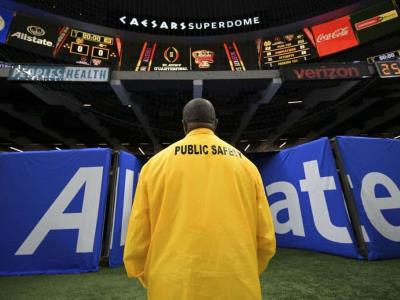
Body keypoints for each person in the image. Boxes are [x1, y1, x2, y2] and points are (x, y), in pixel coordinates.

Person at [124, 98, 276, 300]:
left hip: (172, 286)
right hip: (236, 285)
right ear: (215, 123)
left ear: (184, 125)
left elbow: (138, 236)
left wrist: (151, 277)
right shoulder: (247, 167)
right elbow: (265, 239)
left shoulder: (154, 166)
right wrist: (244, 272)